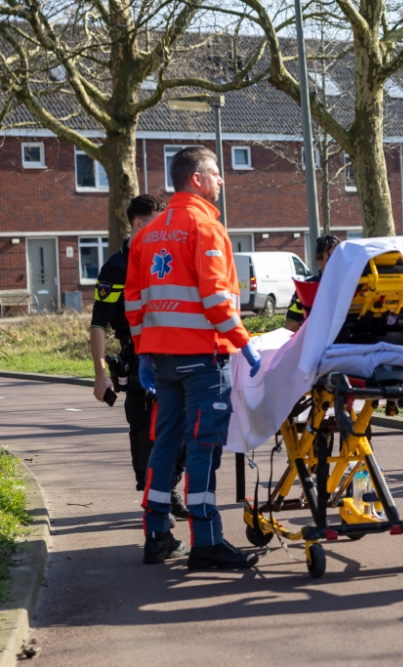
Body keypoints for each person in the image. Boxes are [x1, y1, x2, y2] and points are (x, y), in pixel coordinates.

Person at [125, 146, 262, 569]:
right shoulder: (205, 227)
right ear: (198, 179)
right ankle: (205, 542)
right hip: (203, 358)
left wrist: (144, 351)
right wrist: (243, 341)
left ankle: (156, 535)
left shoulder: (146, 235)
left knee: (165, 444)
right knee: (203, 447)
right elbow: (217, 298)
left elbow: (135, 303)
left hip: (162, 359)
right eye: (217, 174)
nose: (223, 181)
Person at [90, 195, 187, 518]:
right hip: (138, 363)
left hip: (174, 356)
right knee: (146, 433)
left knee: (182, 430)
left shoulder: (164, 259)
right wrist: (100, 372)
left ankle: (168, 489)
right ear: (139, 224)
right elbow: (99, 323)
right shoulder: (116, 268)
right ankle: (156, 501)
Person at [284, 234, 340, 332]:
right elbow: (290, 329)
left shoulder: (353, 285)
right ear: (318, 258)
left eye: (339, 257)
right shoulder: (306, 289)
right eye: (332, 257)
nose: (337, 262)